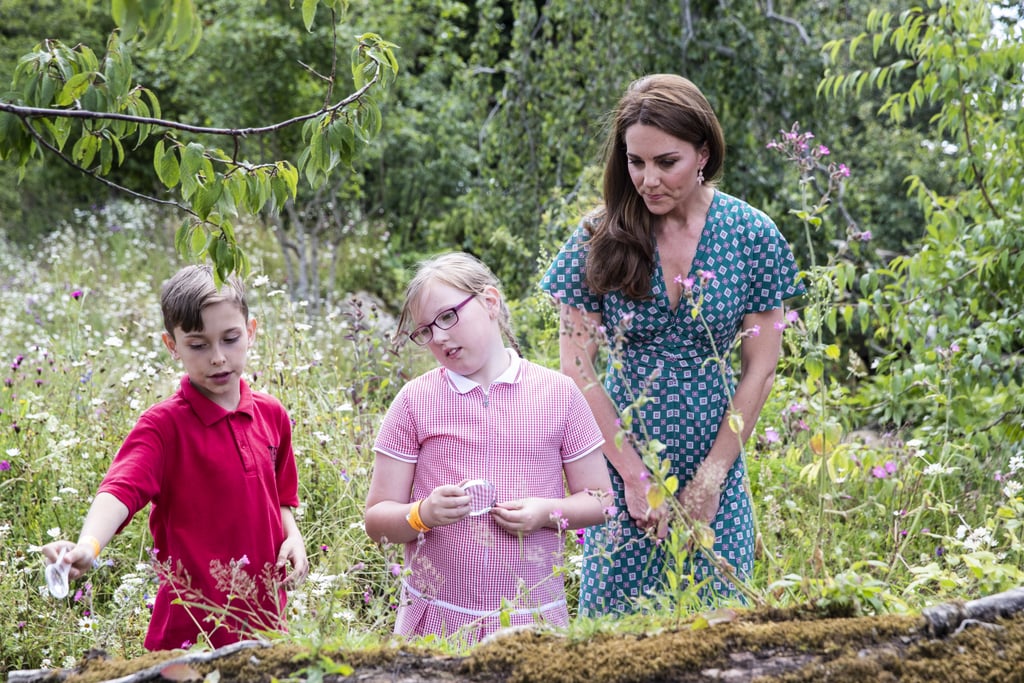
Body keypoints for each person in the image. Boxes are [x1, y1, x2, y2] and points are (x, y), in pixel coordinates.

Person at [540, 74, 804, 615]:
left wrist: (710, 480)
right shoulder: (600, 236)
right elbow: (576, 366)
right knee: (613, 637)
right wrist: (635, 480)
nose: (648, 179)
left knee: (718, 630)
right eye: (636, 162)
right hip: (620, 459)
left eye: (667, 162)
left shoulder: (752, 235)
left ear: (702, 153)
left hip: (718, 460)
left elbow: (761, 369)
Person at [41, 265, 308, 650]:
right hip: (188, 637)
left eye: (230, 339)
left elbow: (280, 498)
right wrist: (88, 545)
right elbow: (120, 491)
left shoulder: (272, 415)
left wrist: (293, 537)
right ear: (172, 345)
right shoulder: (163, 426)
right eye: (198, 345)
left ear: (250, 332)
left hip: (266, 629)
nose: (217, 357)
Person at [365, 251, 612, 644]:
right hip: (439, 621)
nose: (439, 337)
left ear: (490, 302)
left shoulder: (559, 394)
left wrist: (547, 512)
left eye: (447, 317)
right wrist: (422, 514)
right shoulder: (414, 401)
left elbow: (602, 500)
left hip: (533, 621)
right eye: (425, 330)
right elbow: (376, 520)